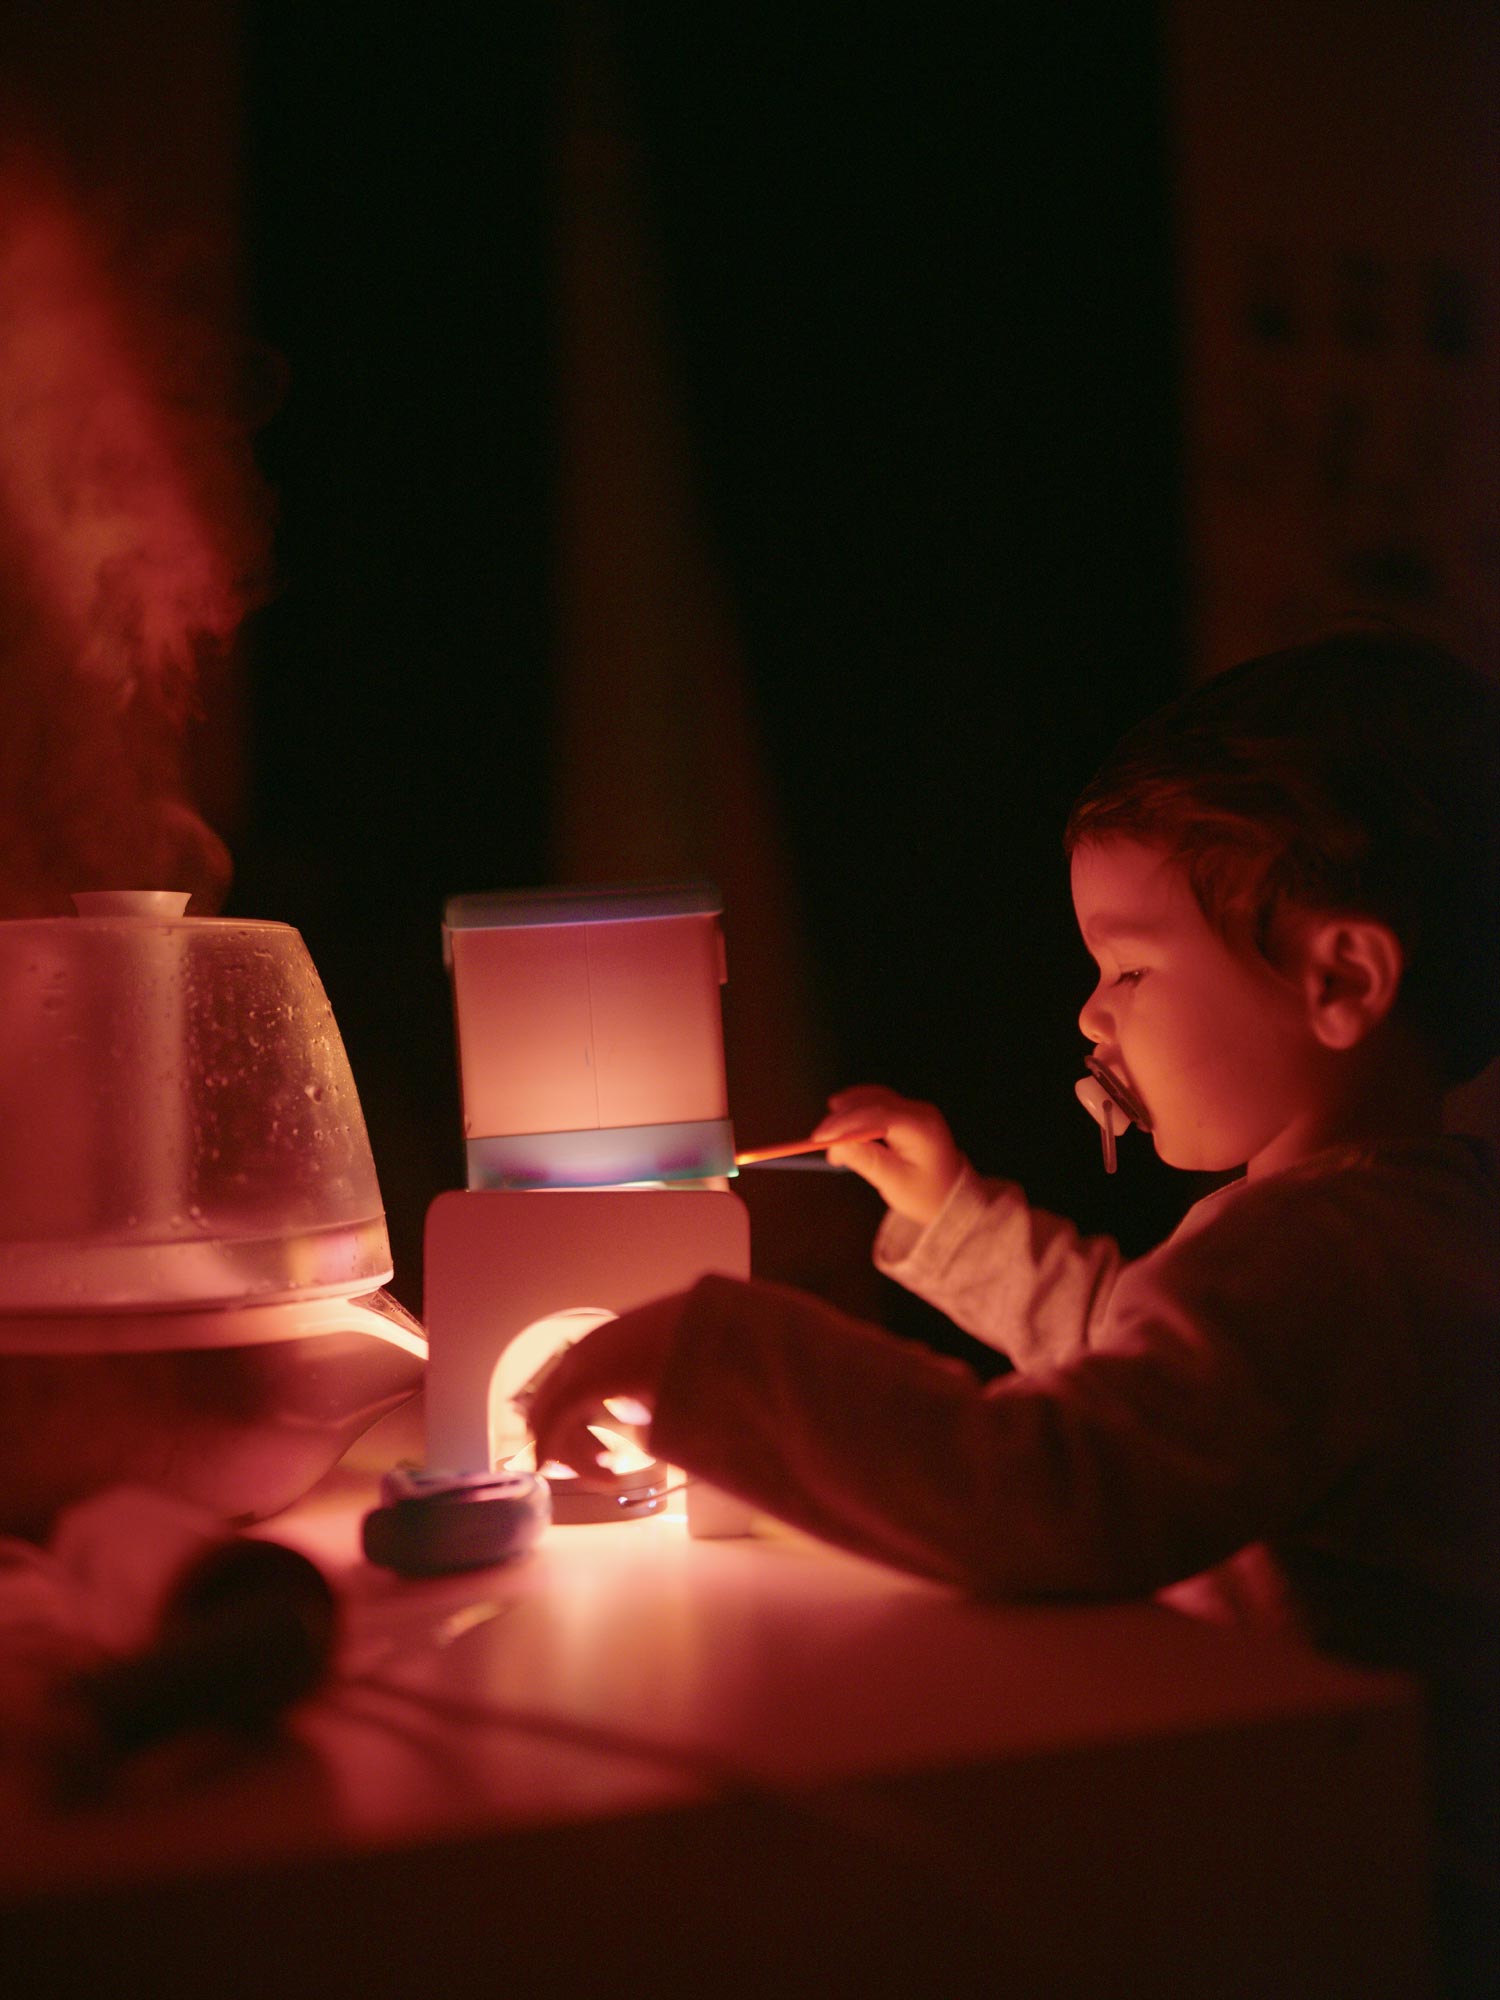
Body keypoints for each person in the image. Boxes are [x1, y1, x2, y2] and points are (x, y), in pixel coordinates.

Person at [529, 629, 1499, 1992]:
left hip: (1360, 1894)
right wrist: (954, 1221)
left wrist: (710, 1356)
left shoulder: (1328, 1255)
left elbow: (1059, 1484)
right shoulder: (1398, 1219)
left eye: (1131, 969)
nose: (1094, 1020)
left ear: (1340, 981)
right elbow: (1165, 1370)